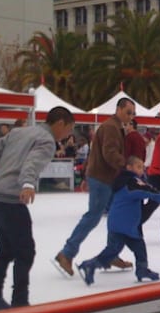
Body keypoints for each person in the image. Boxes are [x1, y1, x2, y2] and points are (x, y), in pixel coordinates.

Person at [0, 106, 75, 312]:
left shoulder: (19, 132)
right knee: (25, 251)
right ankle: (19, 301)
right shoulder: (46, 141)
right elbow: (32, 163)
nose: (68, 134)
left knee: (7, 249)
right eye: (69, 128)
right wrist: (27, 184)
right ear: (59, 123)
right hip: (12, 196)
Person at [54, 98, 136, 276]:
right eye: (128, 112)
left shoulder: (115, 127)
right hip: (102, 179)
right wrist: (127, 165)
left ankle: (111, 254)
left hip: (105, 178)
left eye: (132, 113)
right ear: (119, 109)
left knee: (114, 216)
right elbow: (109, 153)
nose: (130, 117)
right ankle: (66, 253)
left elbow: (97, 153)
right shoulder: (111, 127)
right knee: (93, 217)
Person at [77, 156, 160, 286]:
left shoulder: (123, 181)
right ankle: (91, 265)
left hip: (119, 223)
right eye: (138, 167)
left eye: (142, 167)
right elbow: (146, 190)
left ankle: (140, 269)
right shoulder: (131, 182)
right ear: (129, 167)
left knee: (118, 249)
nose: (141, 170)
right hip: (125, 225)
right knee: (134, 248)